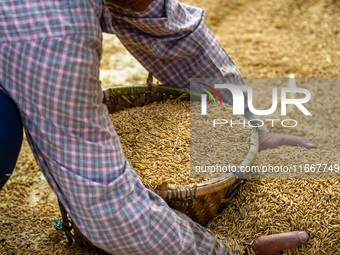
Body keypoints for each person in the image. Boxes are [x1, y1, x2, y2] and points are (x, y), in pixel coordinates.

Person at [0, 0, 314, 254]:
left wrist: (253, 128)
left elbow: (171, 29)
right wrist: (229, 251)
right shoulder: (52, 27)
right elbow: (109, 206)